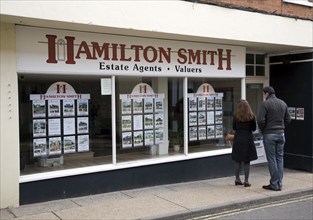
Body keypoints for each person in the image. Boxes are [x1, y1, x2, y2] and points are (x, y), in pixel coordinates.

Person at [257, 86, 291, 191]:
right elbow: (288, 119)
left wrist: (264, 130)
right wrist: (282, 127)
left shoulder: (265, 104)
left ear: (266, 93)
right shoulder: (283, 103)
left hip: (269, 134)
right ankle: (279, 183)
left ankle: (274, 184)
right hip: (281, 134)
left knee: (272, 159)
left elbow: (260, 120)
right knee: (279, 159)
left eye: (264, 94)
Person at [231, 99, 258, 187]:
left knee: (238, 160)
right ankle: (246, 180)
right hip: (248, 139)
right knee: (247, 161)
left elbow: (234, 128)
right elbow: (254, 129)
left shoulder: (236, 116)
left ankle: (237, 179)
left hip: (238, 138)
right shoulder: (251, 116)